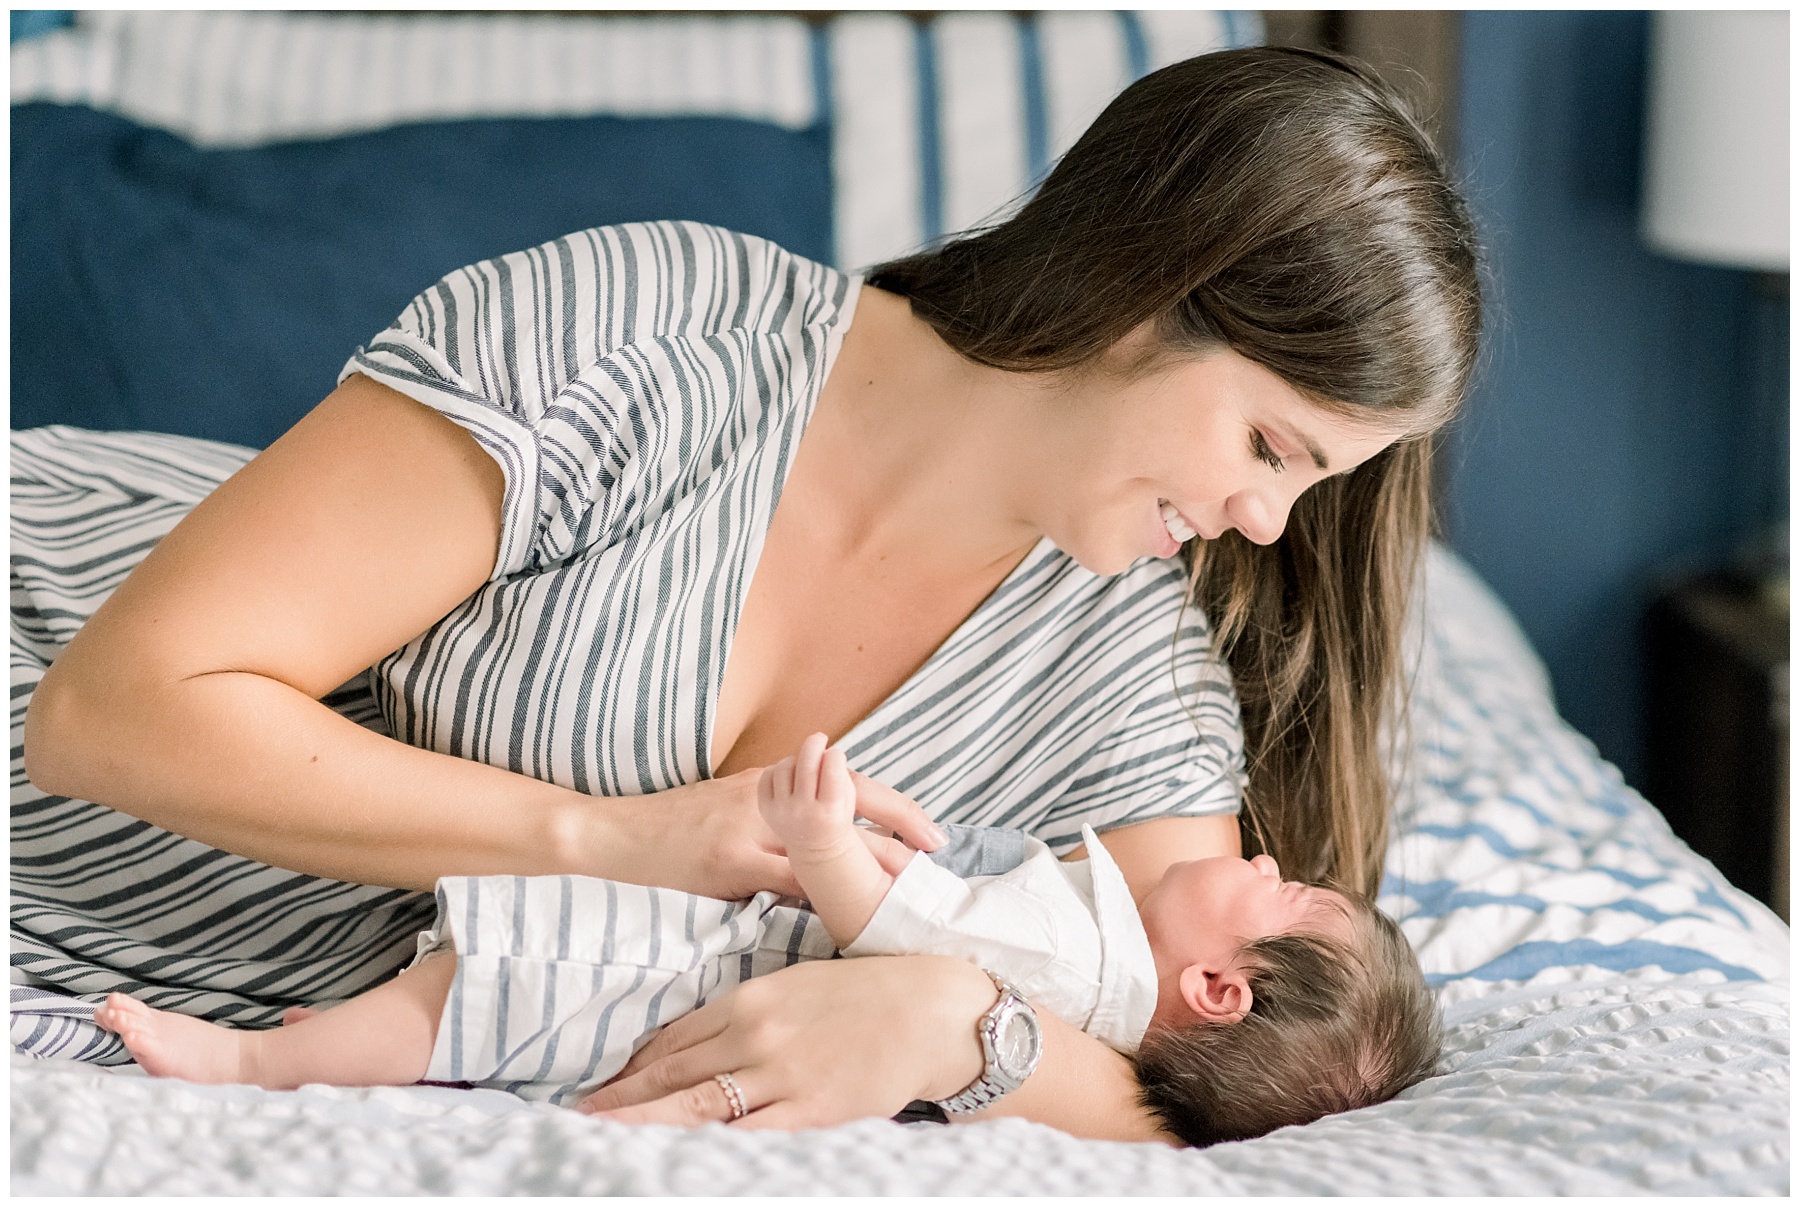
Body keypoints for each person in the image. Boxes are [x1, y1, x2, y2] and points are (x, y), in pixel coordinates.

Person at [19, 46, 1480, 1141]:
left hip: (248, 1010)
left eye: (1317, 486)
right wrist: (610, 841)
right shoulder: (650, 337)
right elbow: (112, 714)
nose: (1263, 521)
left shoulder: (1130, 671)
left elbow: (1197, 1091)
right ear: (1141, 289)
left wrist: (954, 1018)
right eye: (1267, 446)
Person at [91, 732, 1439, 1148]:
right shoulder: (1094, 982)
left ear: (1212, 988)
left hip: (687, 977)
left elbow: (912, 928)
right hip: (719, 972)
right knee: (461, 995)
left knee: (470, 992)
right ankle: (291, 1054)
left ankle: (252, 1075)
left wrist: (822, 840)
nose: (1260, 855)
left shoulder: (1089, 962)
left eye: (1282, 892)